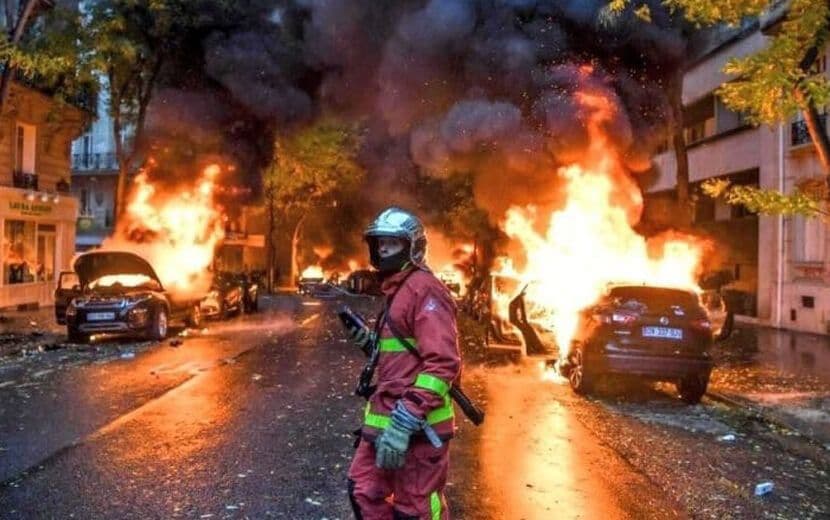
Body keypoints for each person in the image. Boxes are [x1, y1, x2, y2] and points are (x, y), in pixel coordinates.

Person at [347, 207, 460, 520]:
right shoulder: (398, 289)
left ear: (413, 247)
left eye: (391, 243)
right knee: (364, 491)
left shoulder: (424, 289)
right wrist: (369, 342)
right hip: (386, 417)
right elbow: (402, 355)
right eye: (379, 242)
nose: (382, 249)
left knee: (416, 509)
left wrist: (406, 419)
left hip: (418, 426)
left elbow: (442, 364)